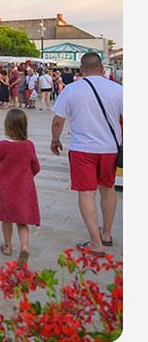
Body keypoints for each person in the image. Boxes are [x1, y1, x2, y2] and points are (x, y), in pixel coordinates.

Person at [51, 52, 123, 256]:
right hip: (110, 149)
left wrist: (55, 140)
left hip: (82, 148)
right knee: (108, 189)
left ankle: (95, 242)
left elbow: (58, 121)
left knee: (87, 193)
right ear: (102, 69)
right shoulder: (118, 90)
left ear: (81, 70)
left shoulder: (72, 90)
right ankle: (107, 233)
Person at [0, 108, 41, 264]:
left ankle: (8, 246)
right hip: (23, 189)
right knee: (22, 221)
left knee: (6, 219)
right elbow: (36, 167)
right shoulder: (28, 146)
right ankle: (24, 247)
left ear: (7, 126)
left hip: (5, 189)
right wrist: (27, 178)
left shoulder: (2, 146)